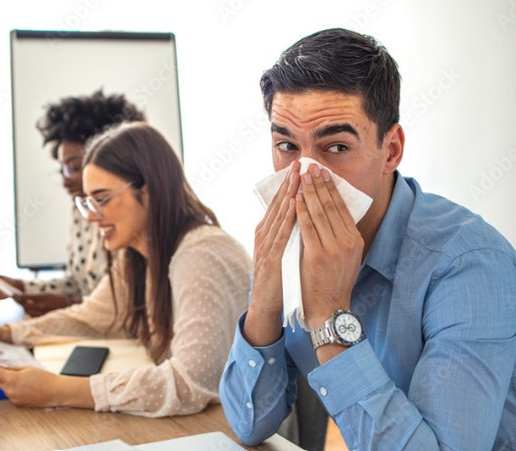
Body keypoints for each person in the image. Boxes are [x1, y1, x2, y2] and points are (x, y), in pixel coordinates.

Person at [219, 28, 516, 450]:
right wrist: (265, 297)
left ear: (391, 150)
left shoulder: (469, 264)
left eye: (337, 148)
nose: (305, 176)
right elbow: (250, 424)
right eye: (286, 145)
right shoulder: (288, 246)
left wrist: (329, 317)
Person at [0, 122, 252, 417]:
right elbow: (89, 318)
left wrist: (57, 389)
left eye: (101, 199)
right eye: (88, 202)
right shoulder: (136, 255)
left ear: (149, 190)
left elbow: (190, 382)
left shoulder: (201, 253)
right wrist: (8, 333)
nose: (91, 217)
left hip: (231, 426)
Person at [0, 90, 145, 317]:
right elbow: (77, 283)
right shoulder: (81, 209)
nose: (65, 180)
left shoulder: (130, 217)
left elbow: (128, 309)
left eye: (74, 168)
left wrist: (69, 306)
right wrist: (19, 287)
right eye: (62, 169)